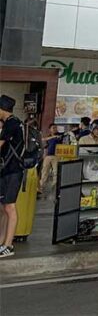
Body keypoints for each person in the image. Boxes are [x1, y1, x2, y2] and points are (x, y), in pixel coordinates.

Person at [0, 95, 25, 258]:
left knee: (9, 207)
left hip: (13, 171)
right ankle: (2, 241)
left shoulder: (11, 124)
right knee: (3, 207)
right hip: (6, 170)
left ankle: (8, 245)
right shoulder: (13, 122)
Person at [39, 123, 61, 197]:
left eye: (55, 128)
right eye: (53, 128)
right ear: (49, 129)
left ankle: (54, 188)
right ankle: (40, 187)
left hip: (56, 156)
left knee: (56, 172)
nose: (55, 129)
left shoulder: (59, 136)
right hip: (48, 156)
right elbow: (45, 144)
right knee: (44, 172)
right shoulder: (49, 137)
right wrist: (44, 156)